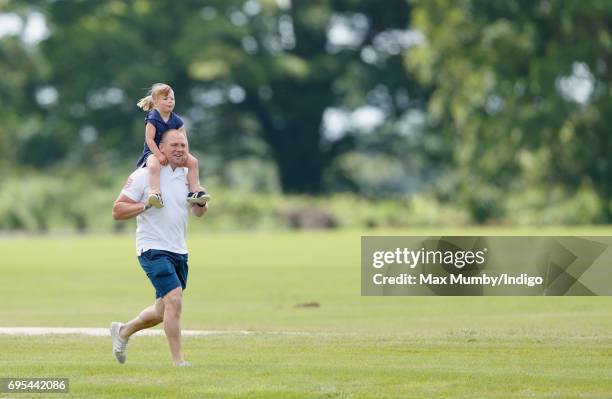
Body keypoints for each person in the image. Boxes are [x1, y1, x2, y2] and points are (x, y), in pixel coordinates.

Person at [111, 129, 208, 367]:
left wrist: (201, 203)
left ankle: (123, 331)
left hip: (178, 250)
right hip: (152, 248)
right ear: (160, 148)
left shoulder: (187, 175)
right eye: (174, 145)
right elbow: (117, 210)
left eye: (183, 145)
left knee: (162, 311)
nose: (180, 149)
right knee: (175, 301)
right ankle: (178, 362)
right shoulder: (144, 175)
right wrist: (146, 205)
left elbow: (198, 213)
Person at [135, 82, 210, 208]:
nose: (170, 101)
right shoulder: (153, 118)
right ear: (156, 102)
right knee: (153, 165)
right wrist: (158, 155)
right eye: (165, 99)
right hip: (153, 151)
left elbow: (184, 140)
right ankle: (155, 192)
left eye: (172, 99)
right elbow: (149, 139)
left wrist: (185, 155)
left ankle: (194, 190)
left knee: (193, 162)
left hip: (173, 151)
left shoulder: (177, 120)